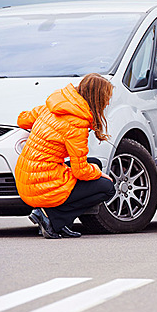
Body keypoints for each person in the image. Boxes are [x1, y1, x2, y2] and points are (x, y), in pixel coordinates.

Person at [15, 73, 116, 239]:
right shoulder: (77, 124)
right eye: (106, 98)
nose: (107, 103)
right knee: (107, 187)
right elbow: (80, 171)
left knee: (94, 162)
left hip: (26, 176)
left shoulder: (55, 105)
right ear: (97, 98)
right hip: (41, 184)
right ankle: (52, 218)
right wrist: (99, 173)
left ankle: (57, 221)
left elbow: (22, 120)